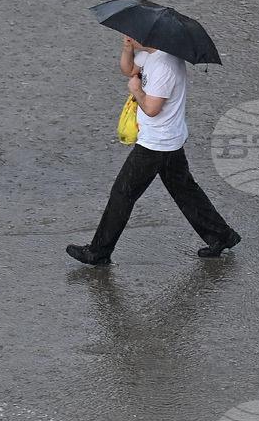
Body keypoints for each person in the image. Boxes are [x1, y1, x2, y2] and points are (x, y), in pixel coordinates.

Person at [67, 36, 240, 266]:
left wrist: (137, 89)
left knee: (122, 194)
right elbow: (128, 69)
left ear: (148, 35)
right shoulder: (150, 54)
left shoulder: (165, 67)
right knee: (185, 191)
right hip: (167, 140)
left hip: (157, 143)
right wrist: (128, 49)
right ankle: (221, 235)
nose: (126, 35)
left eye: (131, 34)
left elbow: (151, 108)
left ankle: (99, 252)